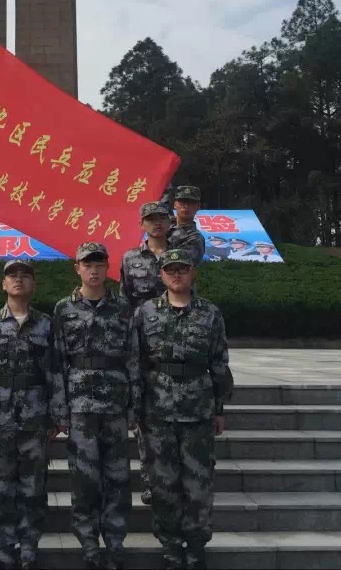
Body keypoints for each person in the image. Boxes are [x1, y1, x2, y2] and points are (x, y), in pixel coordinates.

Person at [135, 249, 232, 570]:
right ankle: (171, 546)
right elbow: (136, 363)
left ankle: (196, 544)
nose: (177, 274)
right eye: (170, 270)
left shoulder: (210, 313)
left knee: (199, 483)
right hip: (157, 410)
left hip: (198, 410)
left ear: (193, 274)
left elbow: (219, 362)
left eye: (183, 269)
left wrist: (219, 407)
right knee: (163, 483)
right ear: (161, 275)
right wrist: (136, 409)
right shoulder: (145, 313)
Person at [52, 242, 140, 570]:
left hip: (115, 405)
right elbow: (58, 363)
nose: (93, 270)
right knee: (84, 478)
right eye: (87, 264)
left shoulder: (122, 309)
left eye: (99, 264)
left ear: (108, 268)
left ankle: (115, 542)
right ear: (77, 268)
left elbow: (132, 358)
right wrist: (60, 410)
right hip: (80, 407)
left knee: (118, 477)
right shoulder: (64, 309)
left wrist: (134, 407)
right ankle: (89, 542)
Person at [0, 259, 58, 570]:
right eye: (13, 275)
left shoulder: (48, 324)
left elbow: (56, 371)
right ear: (3, 284)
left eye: (26, 276)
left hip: (36, 415)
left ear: (34, 284)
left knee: (34, 485)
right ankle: (4, 546)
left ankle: (29, 546)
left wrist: (55, 413)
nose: (19, 280)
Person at [119, 201, 170, 507]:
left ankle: (172, 477)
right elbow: (125, 299)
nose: (157, 223)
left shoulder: (182, 256)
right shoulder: (130, 258)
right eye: (150, 219)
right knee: (144, 412)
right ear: (142, 224)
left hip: (175, 340)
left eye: (162, 218)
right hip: (142, 341)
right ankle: (150, 480)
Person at [166, 186, 206, 264]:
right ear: (175, 204)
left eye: (190, 203)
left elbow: (178, 265)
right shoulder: (164, 224)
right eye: (182, 202)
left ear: (198, 206)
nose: (186, 206)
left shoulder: (195, 239)